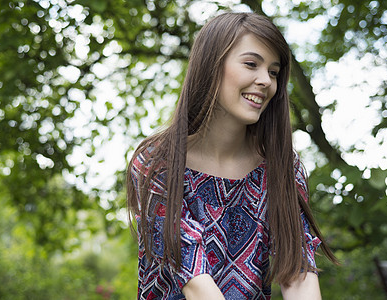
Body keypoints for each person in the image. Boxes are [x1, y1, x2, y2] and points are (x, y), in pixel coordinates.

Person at [127, 12, 338, 299]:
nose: (266, 81)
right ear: (211, 66)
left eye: (274, 72)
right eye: (251, 64)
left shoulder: (282, 167)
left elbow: (297, 272)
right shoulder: (156, 163)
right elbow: (195, 280)